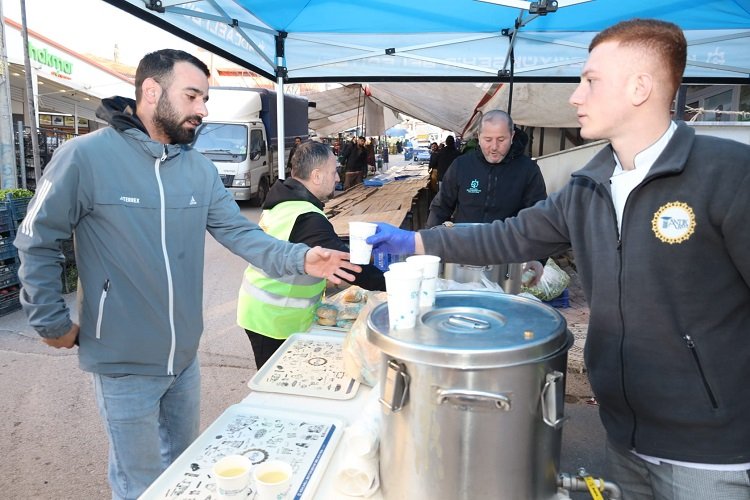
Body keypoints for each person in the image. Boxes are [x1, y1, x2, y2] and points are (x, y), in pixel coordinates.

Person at [367, 19, 750, 499]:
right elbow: (509, 236)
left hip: (709, 454)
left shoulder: (727, 175)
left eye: (590, 81)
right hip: (624, 437)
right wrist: (417, 244)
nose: (575, 96)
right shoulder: (589, 185)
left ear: (640, 87)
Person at [13, 49, 360, 500]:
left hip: (185, 357)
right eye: (192, 96)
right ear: (151, 92)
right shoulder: (85, 156)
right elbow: (37, 237)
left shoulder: (196, 168)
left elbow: (239, 232)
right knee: (138, 484)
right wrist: (49, 320)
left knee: (182, 471)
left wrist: (300, 258)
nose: (202, 109)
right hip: (122, 359)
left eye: (205, 98)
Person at [237, 141, 386, 368]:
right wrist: (392, 284)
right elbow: (349, 266)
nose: (337, 178)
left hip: (262, 312)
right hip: (275, 319)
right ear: (316, 176)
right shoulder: (306, 216)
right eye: (334, 171)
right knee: (279, 387)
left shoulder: (284, 202)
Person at [426, 110, 547, 228]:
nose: (494, 147)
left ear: (512, 136)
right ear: (478, 136)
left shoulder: (528, 170)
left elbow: (537, 216)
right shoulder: (461, 165)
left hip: (508, 246)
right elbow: (440, 207)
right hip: (465, 243)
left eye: (501, 139)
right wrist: (429, 240)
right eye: (488, 139)